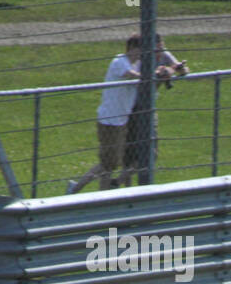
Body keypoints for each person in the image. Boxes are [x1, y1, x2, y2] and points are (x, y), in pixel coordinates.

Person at [67, 36, 173, 194]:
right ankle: (88, 193)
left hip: (122, 120)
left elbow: (154, 70)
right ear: (131, 48)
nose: (144, 53)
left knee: (116, 162)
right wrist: (155, 74)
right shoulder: (119, 62)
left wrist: (165, 71)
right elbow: (134, 75)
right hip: (110, 121)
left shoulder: (137, 63)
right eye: (141, 49)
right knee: (108, 164)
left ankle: (86, 191)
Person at [119, 35, 189, 188]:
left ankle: (118, 182)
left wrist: (176, 69)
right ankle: (124, 188)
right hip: (134, 109)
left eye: (161, 48)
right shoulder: (140, 59)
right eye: (156, 50)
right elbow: (141, 79)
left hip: (150, 109)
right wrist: (158, 74)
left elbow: (181, 69)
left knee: (152, 153)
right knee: (129, 154)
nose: (159, 53)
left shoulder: (164, 54)